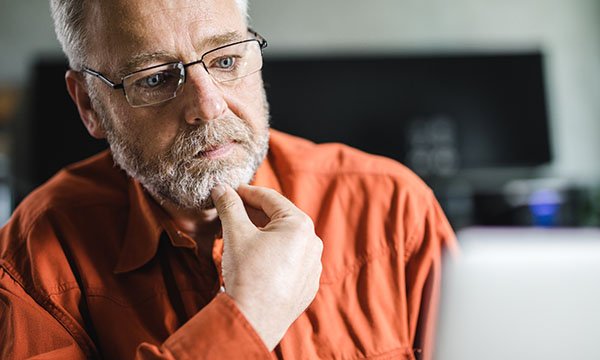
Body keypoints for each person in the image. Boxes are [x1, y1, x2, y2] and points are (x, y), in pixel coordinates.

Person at [0, 0, 457, 359]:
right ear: (87, 105)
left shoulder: (394, 208)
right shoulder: (35, 258)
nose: (210, 106)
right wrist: (248, 319)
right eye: (156, 78)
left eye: (224, 61)